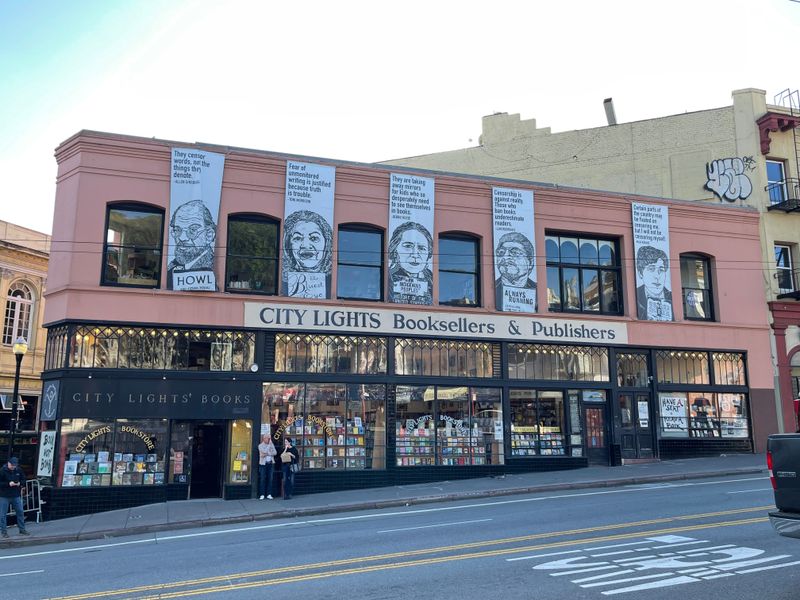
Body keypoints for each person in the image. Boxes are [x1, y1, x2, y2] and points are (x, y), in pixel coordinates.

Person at [281, 210, 333, 297]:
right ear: (287, 244)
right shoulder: (284, 282)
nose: (305, 245)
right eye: (297, 238)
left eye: (314, 238)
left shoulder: (333, 282)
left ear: (327, 243)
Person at [167, 200, 217, 289]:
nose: (182, 238)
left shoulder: (212, 266)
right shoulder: (171, 266)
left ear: (209, 235)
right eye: (177, 230)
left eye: (193, 230)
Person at [388, 221, 433, 304]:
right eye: (408, 246)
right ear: (394, 250)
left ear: (428, 254)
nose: (415, 255)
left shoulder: (432, 278)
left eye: (422, 248)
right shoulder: (386, 277)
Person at [494, 232, 536, 310]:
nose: (505, 257)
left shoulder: (539, 292)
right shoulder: (492, 288)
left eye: (515, 252)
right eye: (501, 252)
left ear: (530, 262)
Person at [635, 245, 673, 321]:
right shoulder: (636, 295)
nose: (657, 276)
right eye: (651, 269)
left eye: (661, 270)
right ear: (640, 273)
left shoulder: (671, 296)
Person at [0, 457, 28, 537]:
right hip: (4, 496)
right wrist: (8, 484)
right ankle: (4, 532)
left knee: (20, 512)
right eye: (12, 465)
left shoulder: (18, 470)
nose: (13, 467)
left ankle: (22, 530)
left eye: (14, 465)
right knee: (2, 514)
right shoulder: (2, 470)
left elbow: (23, 479)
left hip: (16, 495)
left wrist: (20, 483)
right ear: (8, 463)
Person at [257, 434, 277, 500]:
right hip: (263, 464)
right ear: (264, 438)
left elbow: (275, 452)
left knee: (270, 479)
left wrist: (268, 453)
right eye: (267, 438)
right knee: (262, 479)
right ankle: (262, 494)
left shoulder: (272, 445)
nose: (268, 440)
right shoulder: (260, 445)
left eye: (269, 438)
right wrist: (269, 447)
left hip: (270, 464)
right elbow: (263, 452)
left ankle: (269, 494)